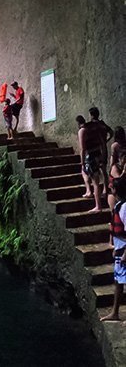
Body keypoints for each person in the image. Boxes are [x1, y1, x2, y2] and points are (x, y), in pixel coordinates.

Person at [102, 178, 126, 321]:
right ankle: (115, 312)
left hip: (123, 248)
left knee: (120, 282)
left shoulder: (124, 207)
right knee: (118, 281)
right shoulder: (120, 205)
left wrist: (124, 253)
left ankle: (115, 312)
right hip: (120, 247)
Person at [80, 114, 107, 212]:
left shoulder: (82, 131)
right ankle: (89, 192)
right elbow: (102, 143)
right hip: (97, 155)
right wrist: (103, 156)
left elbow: (82, 149)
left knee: (95, 182)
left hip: (90, 157)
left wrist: (82, 162)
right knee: (95, 179)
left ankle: (98, 206)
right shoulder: (96, 130)